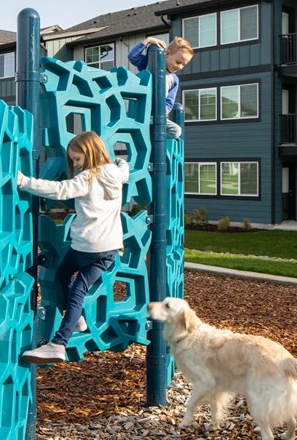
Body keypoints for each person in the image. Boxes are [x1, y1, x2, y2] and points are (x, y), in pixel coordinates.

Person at [17, 131, 130, 364]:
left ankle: (59, 343)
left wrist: (24, 182)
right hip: (109, 249)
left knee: (62, 277)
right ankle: (76, 321)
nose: (76, 164)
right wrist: (123, 161)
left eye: (77, 159)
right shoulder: (114, 174)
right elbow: (124, 171)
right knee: (79, 288)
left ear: (89, 153)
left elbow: (59, 190)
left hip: (86, 246)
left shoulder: (88, 178)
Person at [127, 36, 194, 138]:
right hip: (140, 111)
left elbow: (169, 102)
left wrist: (160, 113)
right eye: (178, 62)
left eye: (183, 65)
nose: (180, 67)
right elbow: (132, 56)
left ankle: (155, 137)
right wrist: (147, 41)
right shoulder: (150, 63)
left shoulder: (174, 79)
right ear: (167, 54)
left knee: (176, 131)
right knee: (129, 126)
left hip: (157, 115)